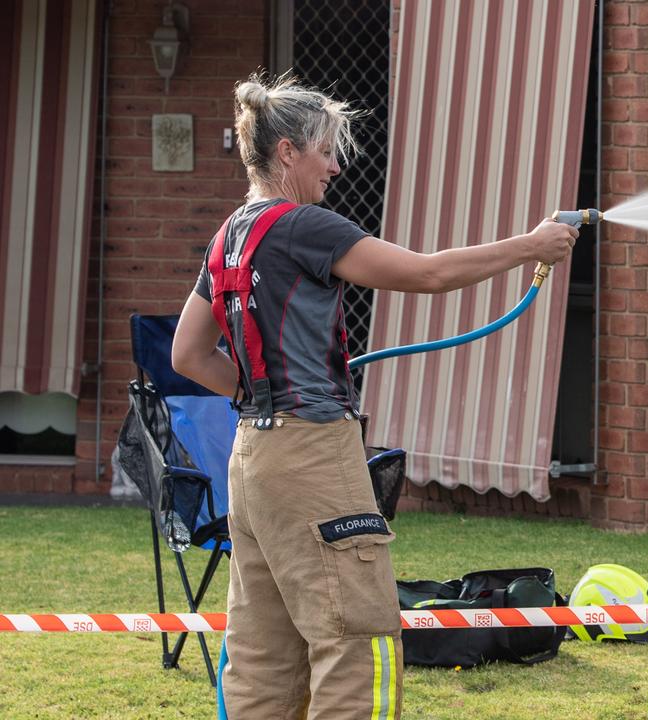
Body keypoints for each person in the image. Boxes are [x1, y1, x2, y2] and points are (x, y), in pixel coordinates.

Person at [171, 75, 576, 719]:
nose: (335, 165)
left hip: (252, 462)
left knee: (261, 657)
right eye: (326, 151)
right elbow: (428, 273)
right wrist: (531, 245)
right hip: (312, 456)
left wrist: (260, 388)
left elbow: (187, 355)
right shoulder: (303, 224)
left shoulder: (229, 236)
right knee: (357, 644)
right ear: (286, 154)